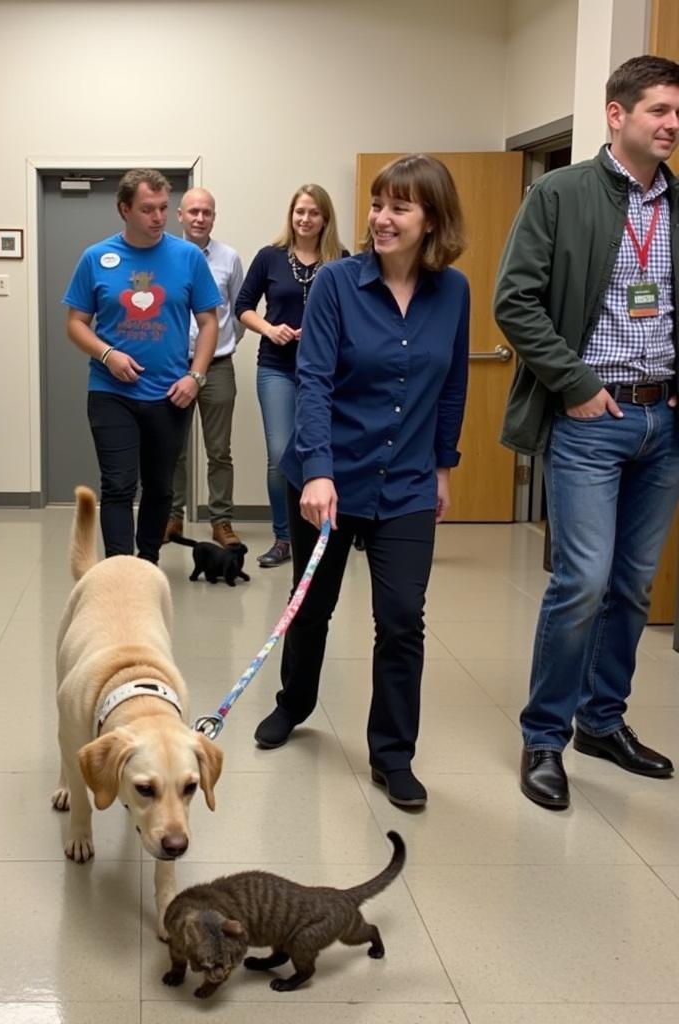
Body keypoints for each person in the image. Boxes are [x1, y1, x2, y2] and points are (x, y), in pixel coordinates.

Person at [254, 155, 469, 811]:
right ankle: (294, 702)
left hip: (404, 482)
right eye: (377, 204)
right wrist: (317, 470)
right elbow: (313, 379)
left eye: (399, 207)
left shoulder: (453, 291)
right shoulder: (338, 285)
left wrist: (441, 466)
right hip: (330, 479)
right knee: (310, 606)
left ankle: (393, 754)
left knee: (402, 618)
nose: (381, 217)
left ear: (432, 219)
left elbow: (451, 383)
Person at [495, 55, 679, 811]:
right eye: (658, 110)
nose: (671, 124)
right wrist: (576, 386)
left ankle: (602, 721)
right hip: (591, 419)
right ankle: (545, 736)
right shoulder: (560, 193)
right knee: (583, 582)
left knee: (633, 586)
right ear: (616, 113)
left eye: (676, 113)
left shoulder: (675, 205)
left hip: (661, 418)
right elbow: (516, 301)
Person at [63, 169, 221, 561]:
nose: (158, 217)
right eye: (147, 209)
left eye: (163, 208)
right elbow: (75, 324)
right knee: (118, 484)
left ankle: (147, 562)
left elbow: (208, 322)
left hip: (170, 394)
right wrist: (107, 354)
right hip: (111, 392)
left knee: (160, 487)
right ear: (124, 209)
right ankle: (119, 565)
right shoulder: (96, 258)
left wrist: (196, 377)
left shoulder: (187, 257)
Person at [236, 184, 343, 567]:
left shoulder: (341, 261)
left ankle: (324, 531)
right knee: (281, 455)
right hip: (277, 367)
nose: (305, 219)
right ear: (291, 215)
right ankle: (284, 537)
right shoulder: (270, 257)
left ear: (325, 218)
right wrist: (269, 329)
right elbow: (243, 306)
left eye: (313, 212)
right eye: (300, 211)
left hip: (328, 372)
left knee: (324, 451)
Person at [164, 187, 245, 548]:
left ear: (214, 217)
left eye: (206, 212)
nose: (200, 218)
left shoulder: (229, 258)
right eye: (193, 211)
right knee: (172, 448)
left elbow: (238, 313)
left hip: (217, 367)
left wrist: (221, 347)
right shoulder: (163, 256)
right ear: (179, 215)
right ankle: (173, 517)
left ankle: (221, 521)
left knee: (219, 451)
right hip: (172, 369)